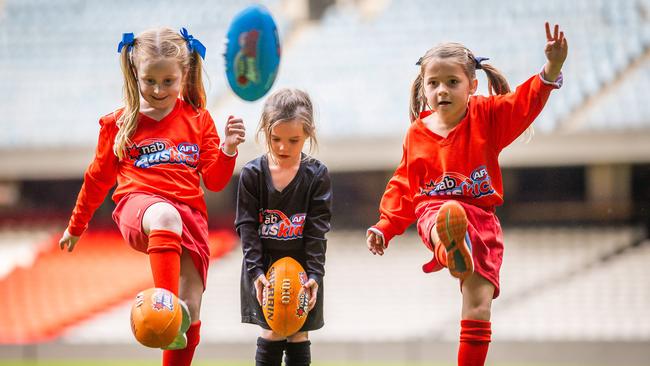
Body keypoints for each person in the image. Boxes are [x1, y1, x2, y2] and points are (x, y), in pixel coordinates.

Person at [366, 22, 568, 365]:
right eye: (433, 83)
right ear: (423, 89)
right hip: (436, 209)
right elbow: (404, 183)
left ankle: (460, 250)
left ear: (473, 86)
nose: (442, 90)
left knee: (478, 308)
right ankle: (451, 247)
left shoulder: (487, 116)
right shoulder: (417, 133)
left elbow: (522, 103)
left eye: (452, 82)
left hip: (482, 220)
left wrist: (552, 68)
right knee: (440, 216)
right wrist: (385, 226)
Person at [58, 27, 246, 366]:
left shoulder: (199, 120)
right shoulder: (120, 124)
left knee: (190, 313)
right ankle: (164, 301)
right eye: (150, 81)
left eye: (168, 81)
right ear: (134, 74)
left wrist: (228, 149)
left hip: (191, 220)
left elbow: (215, 182)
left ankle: (174, 320)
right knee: (164, 217)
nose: (159, 90)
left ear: (184, 74)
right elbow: (98, 179)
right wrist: (76, 225)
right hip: (140, 210)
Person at [235, 88, 332, 366]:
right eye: (275, 139)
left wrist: (314, 274)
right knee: (273, 329)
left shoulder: (317, 175)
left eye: (294, 140)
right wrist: (256, 273)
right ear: (264, 131)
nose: (282, 147)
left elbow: (317, 230)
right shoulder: (253, 174)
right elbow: (247, 227)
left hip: (302, 263)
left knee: (299, 332)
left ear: (308, 134)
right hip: (263, 267)